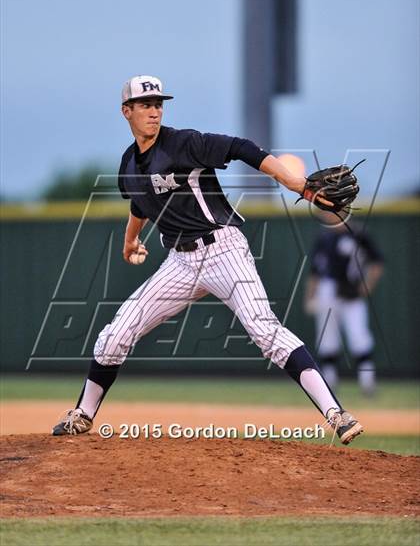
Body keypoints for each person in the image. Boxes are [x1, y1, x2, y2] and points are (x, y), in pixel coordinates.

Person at [52, 75, 363, 444]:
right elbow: (140, 201)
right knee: (114, 336)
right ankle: (83, 414)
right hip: (180, 263)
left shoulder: (184, 143)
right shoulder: (129, 165)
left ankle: (336, 415)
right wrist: (130, 240)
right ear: (126, 112)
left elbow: (241, 147)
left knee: (266, 332)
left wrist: (295, 183)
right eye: (145, 105)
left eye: (158, 104)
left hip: (223, 250)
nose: (154, 111)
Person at [304, 211, 384, 396]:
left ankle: (367, 383)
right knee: (327, 339)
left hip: (351, 292)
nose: (326, 216)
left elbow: (377, 262)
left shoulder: (358, 234)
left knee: (359, 336)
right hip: (328, 290)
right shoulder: (324, 238)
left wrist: (367, 286)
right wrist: (309, 297)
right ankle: (329, 384)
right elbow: (315, 271)